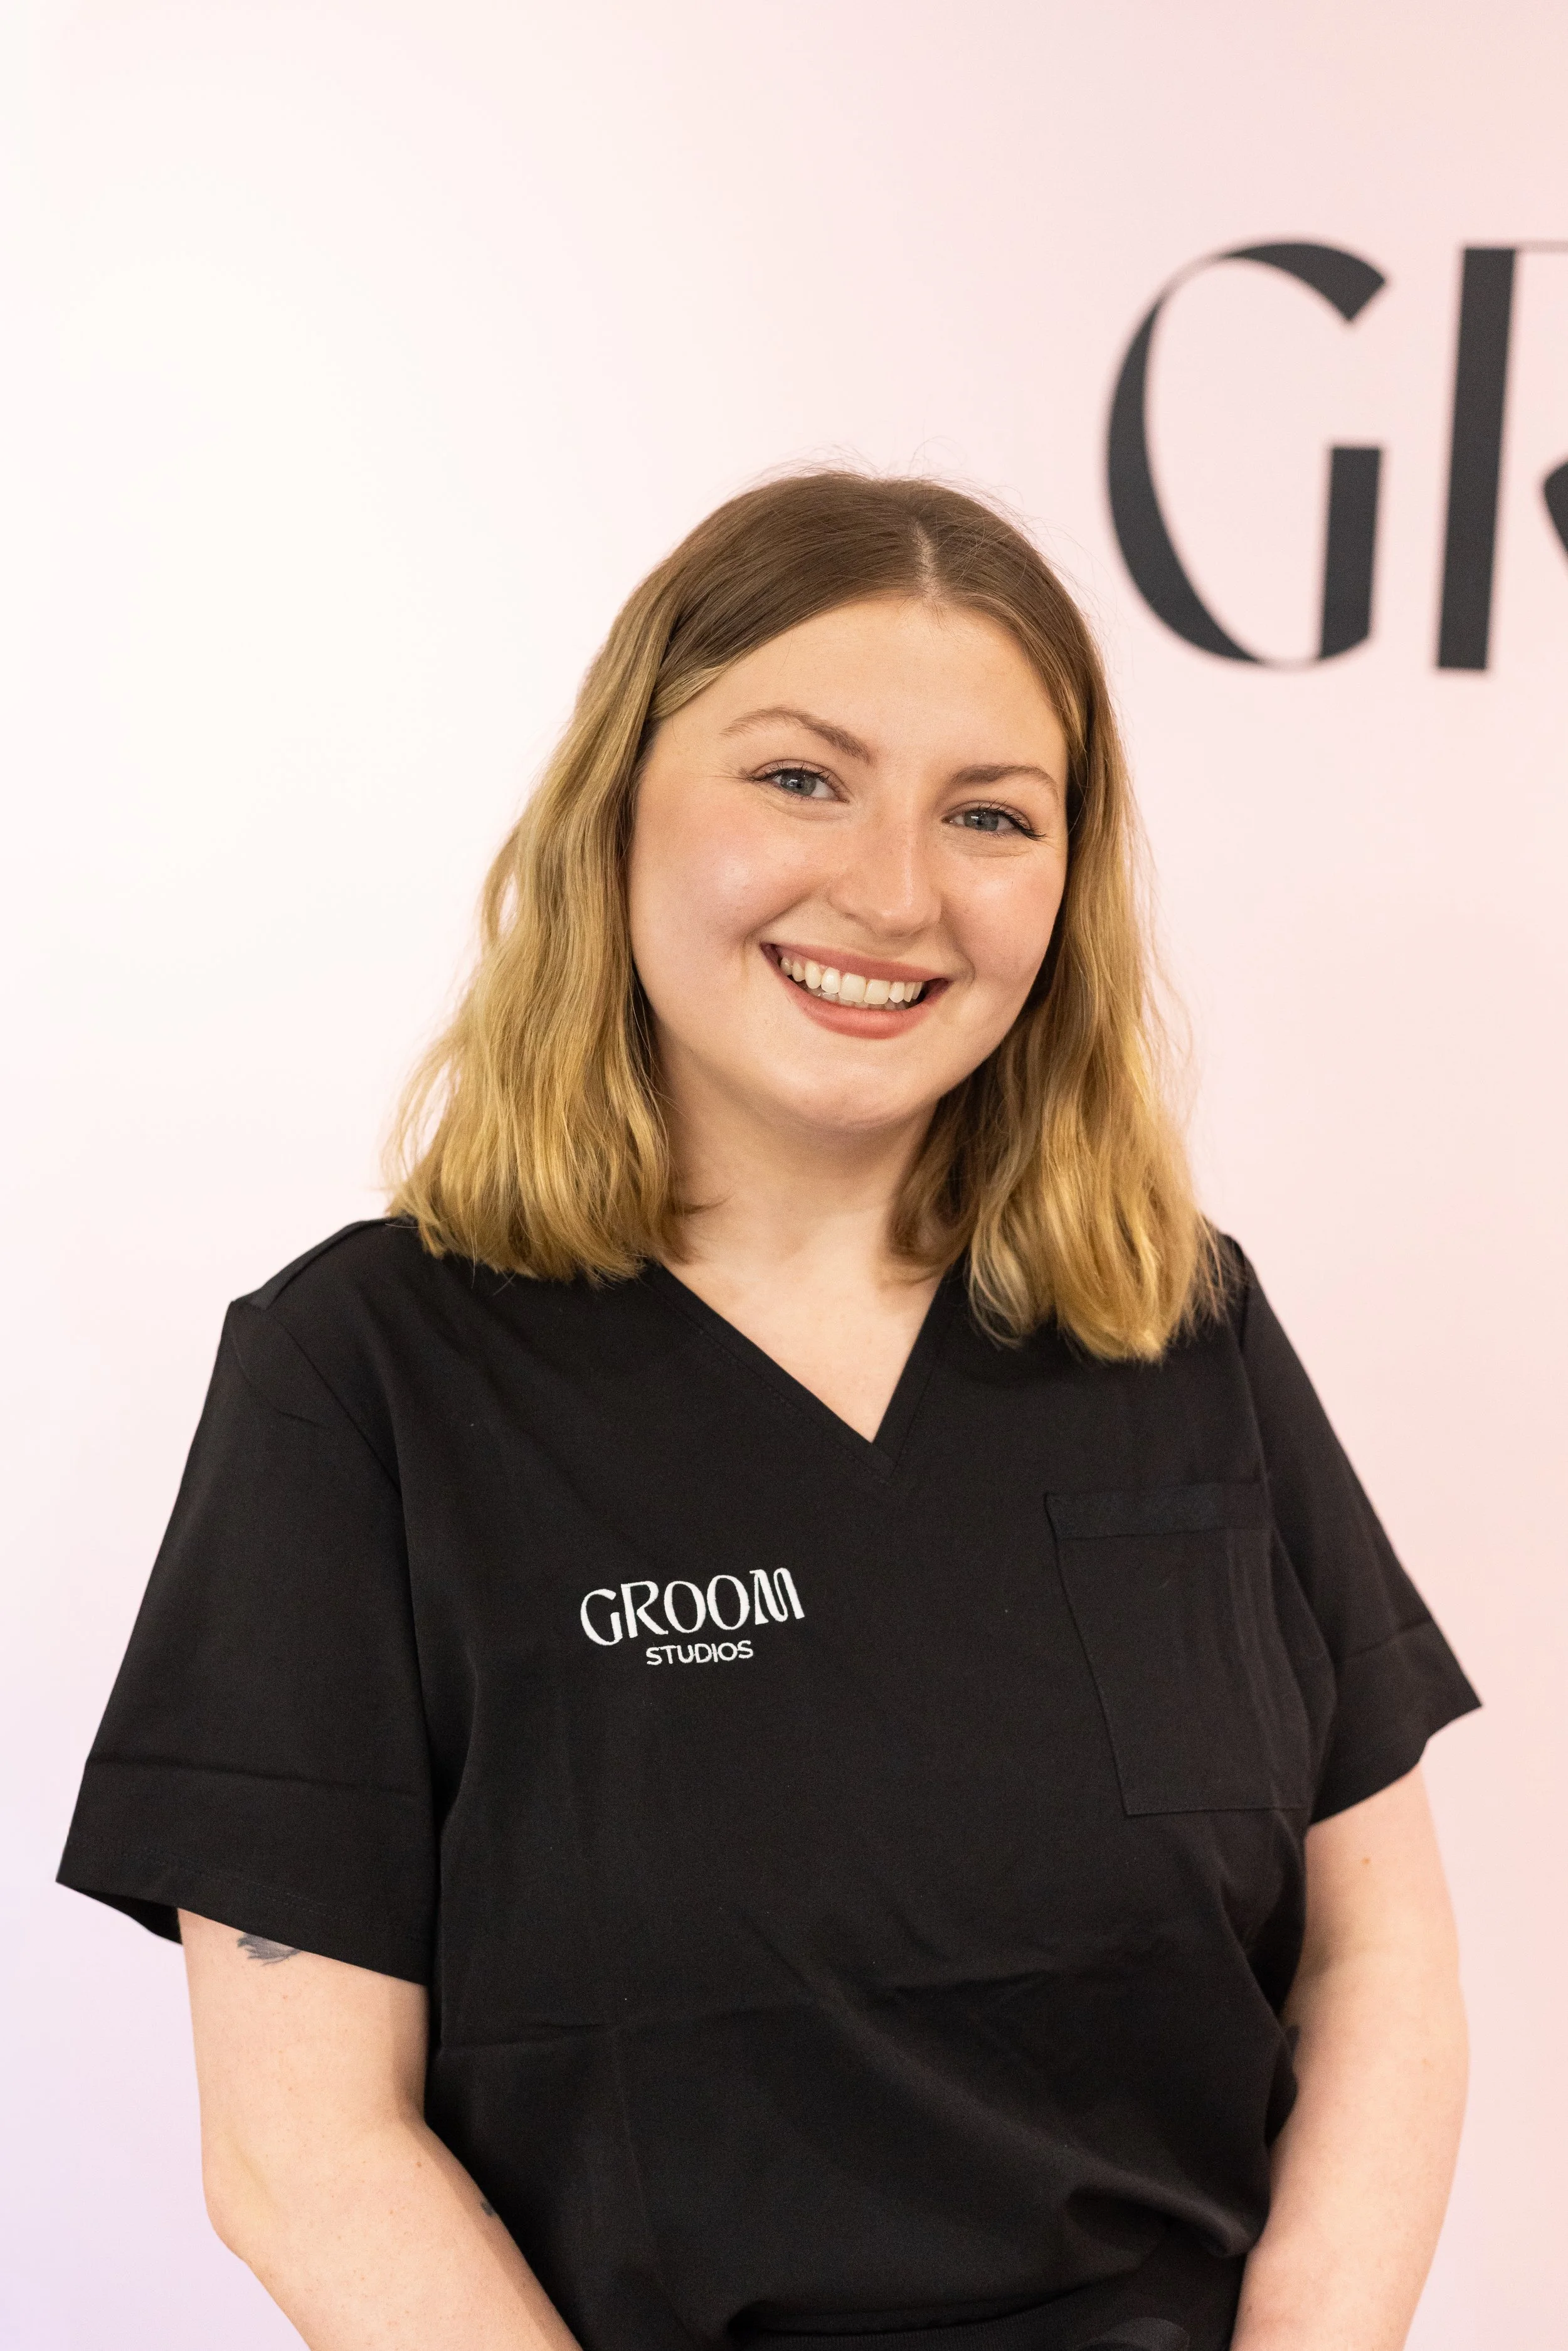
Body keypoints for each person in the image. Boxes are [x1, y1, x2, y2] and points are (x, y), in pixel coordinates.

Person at [59, 471, 1478, 2351]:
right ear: (619, 808)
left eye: (989, 815)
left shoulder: (1175, 1319)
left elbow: (1380, 1955)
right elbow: (304, 2145)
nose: (894, 890)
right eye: (801, 778)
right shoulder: (366, 1376)